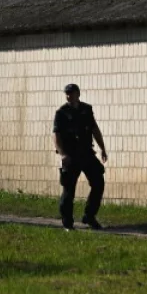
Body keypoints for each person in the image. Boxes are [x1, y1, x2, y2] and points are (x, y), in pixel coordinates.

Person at [53, 84, 107, 231]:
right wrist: (63, 154)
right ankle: (67, 222)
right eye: (67, 94)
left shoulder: (86, 110)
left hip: (86, 153)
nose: (69, 96)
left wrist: (102, 148)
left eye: (71, 93)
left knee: (98, 182)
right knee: (69, 189)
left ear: (78, 94)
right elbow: (56, 136)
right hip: (71, 155)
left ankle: (89, 216)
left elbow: (94, 129)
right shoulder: (61, 113)